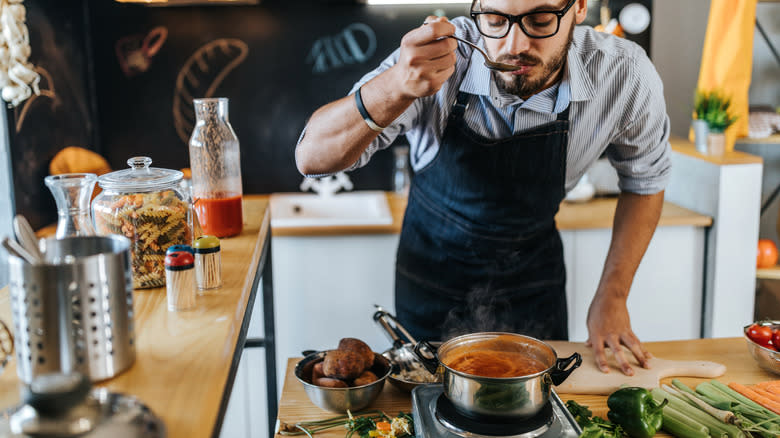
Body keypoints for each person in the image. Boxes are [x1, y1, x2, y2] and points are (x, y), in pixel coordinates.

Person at [295, 0, 671, 376]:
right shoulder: (442, 55)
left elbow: (646, 181)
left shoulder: (623, 74)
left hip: (533, 284)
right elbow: (312, 157)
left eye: (540, 21)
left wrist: (613, 295)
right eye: (495, 20)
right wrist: (396, 85)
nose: (514, 44)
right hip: (430, 281)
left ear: (578, 8)